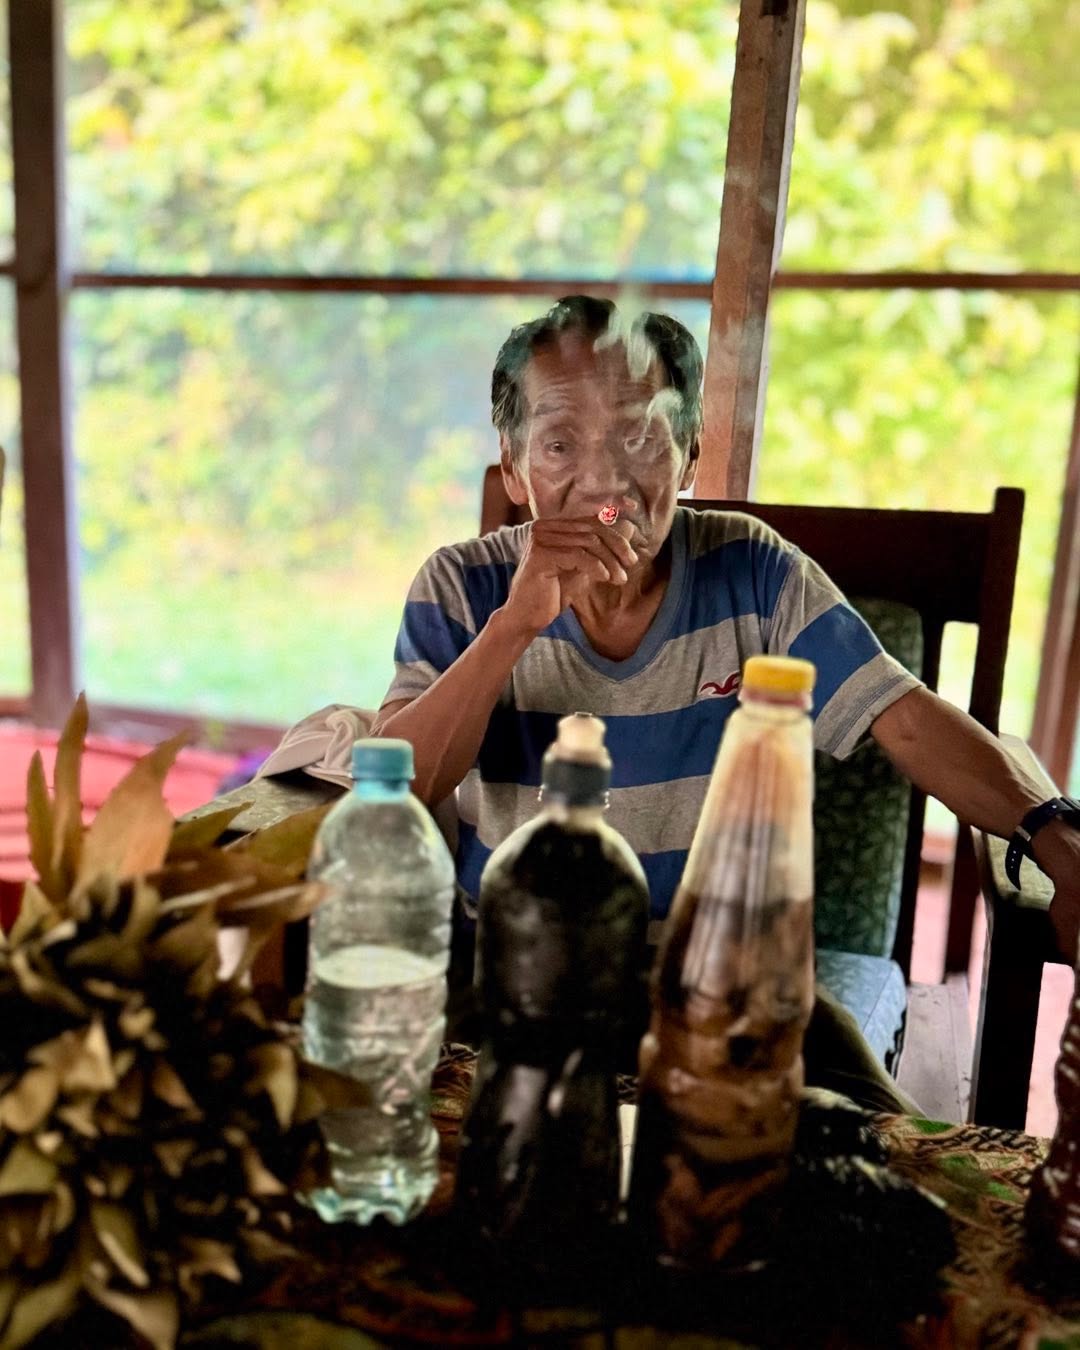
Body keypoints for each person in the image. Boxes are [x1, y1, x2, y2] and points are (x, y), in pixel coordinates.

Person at [372, 294, 1080, 1111]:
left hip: (724, 976)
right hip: (515, 980)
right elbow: (398, 785)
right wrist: (514, 626)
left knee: (889, 1155)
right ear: (514, 463)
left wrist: (1055, 836)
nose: (604, 479)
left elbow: (910, 720)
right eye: (563, 442)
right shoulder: (461, 586)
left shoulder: (754, 571)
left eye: (641, 437)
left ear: (690, 455)